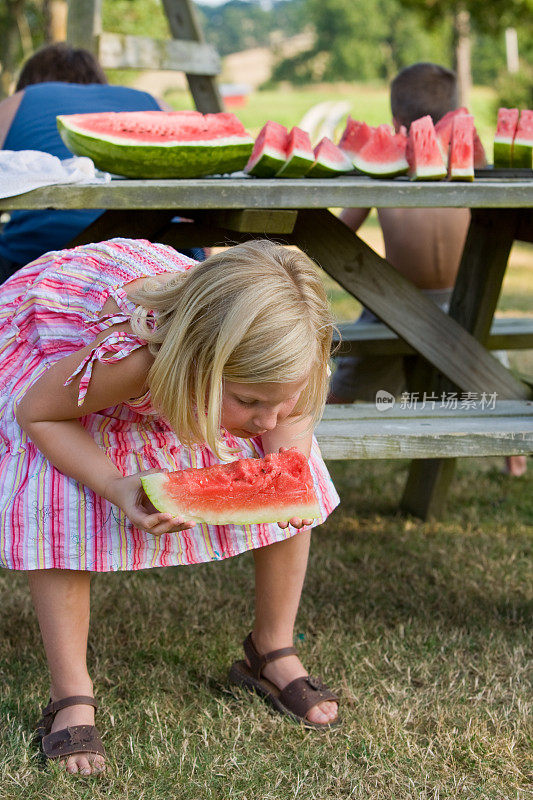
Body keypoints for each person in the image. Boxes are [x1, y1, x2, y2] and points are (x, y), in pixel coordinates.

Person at [0, 236, 341, 776]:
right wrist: (115, 485)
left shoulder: (292, 349)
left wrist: (283, 466)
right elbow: (37, 414)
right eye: (250, 401)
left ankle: (270, 647)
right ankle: (71, 691)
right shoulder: (134, 362)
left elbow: (287, 422)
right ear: (196, 367)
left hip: (204, 348)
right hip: (56, 348)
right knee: (57, 488)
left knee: (295, 475)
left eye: (283, 399)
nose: (269, 417)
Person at [329, 62, 527, 476]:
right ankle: (515, 458)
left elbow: (340, 230)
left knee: (344, 386)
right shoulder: (470, 163)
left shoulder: (385, 172)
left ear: (396, 122)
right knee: (496, 381)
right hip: (463, 305)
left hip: (396, 308)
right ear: (457, 111)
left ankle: (308, 440)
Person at [0, 43, 204, 279]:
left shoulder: (21, 99)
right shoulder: (155, 103)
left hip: (34, 262)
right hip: (160, 258)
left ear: (29, 83)